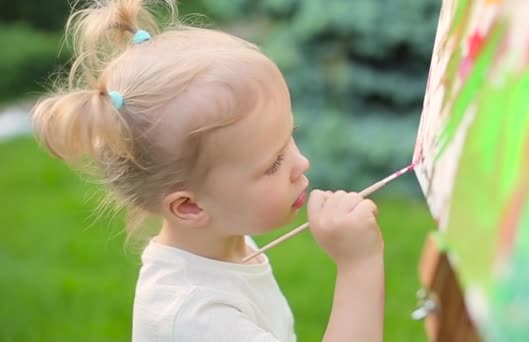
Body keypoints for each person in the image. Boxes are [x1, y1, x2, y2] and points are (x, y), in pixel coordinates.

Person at [32, 0, 384, 341]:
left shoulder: (225, 238)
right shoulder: (197, 317)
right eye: (273, 162)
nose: (301, 163)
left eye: (289, 137)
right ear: (190, 206)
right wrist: (358, 267)